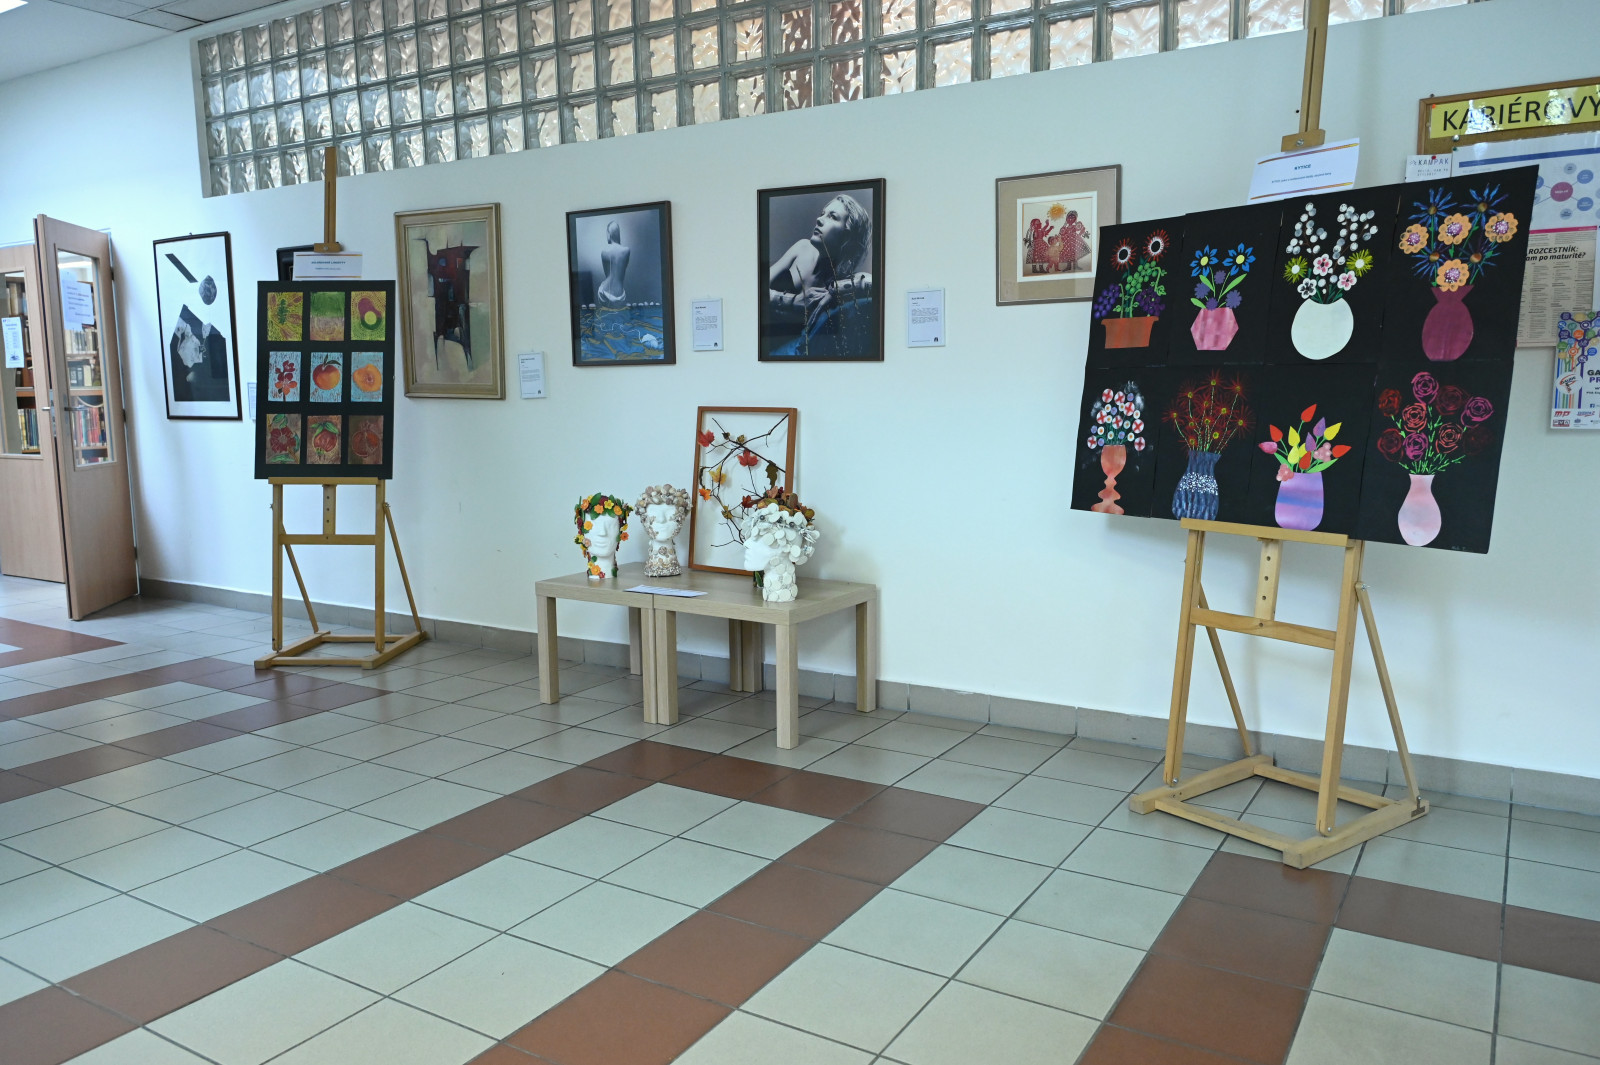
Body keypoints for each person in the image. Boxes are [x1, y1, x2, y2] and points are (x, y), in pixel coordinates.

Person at [766, 194, 874, 358]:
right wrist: (793, 301)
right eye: (822, 213)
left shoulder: (843, 278)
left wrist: (835, 291)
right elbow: (753, 291)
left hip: (788, 355)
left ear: (848, 235)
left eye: (832, 217)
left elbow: (875, 284)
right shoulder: (802, 248)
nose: (819, 220)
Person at [596, 220, 630, 309]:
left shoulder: (604, 252)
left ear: (609, 233)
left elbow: (607, 274)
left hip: (604, 293)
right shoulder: (626, 251)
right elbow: (622, 272)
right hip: (620, 296)